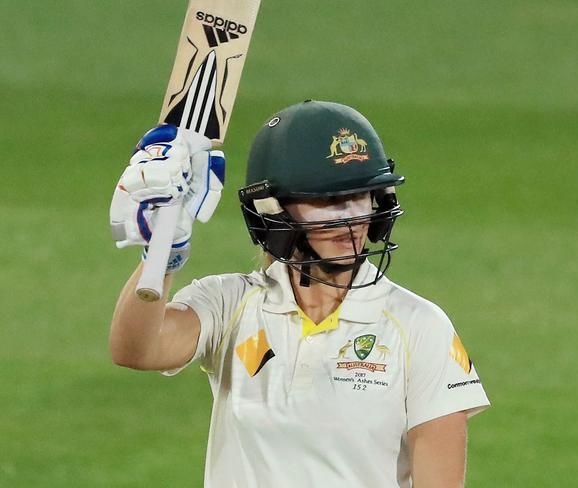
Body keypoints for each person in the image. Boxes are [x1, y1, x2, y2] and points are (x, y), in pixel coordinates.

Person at [109, 100, 490, 488]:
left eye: (361, 195)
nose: (351, 219)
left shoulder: (419, 327)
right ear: (273, 210)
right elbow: (136, 350)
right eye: (326, 201)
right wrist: (162, 258)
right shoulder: (230, 304)